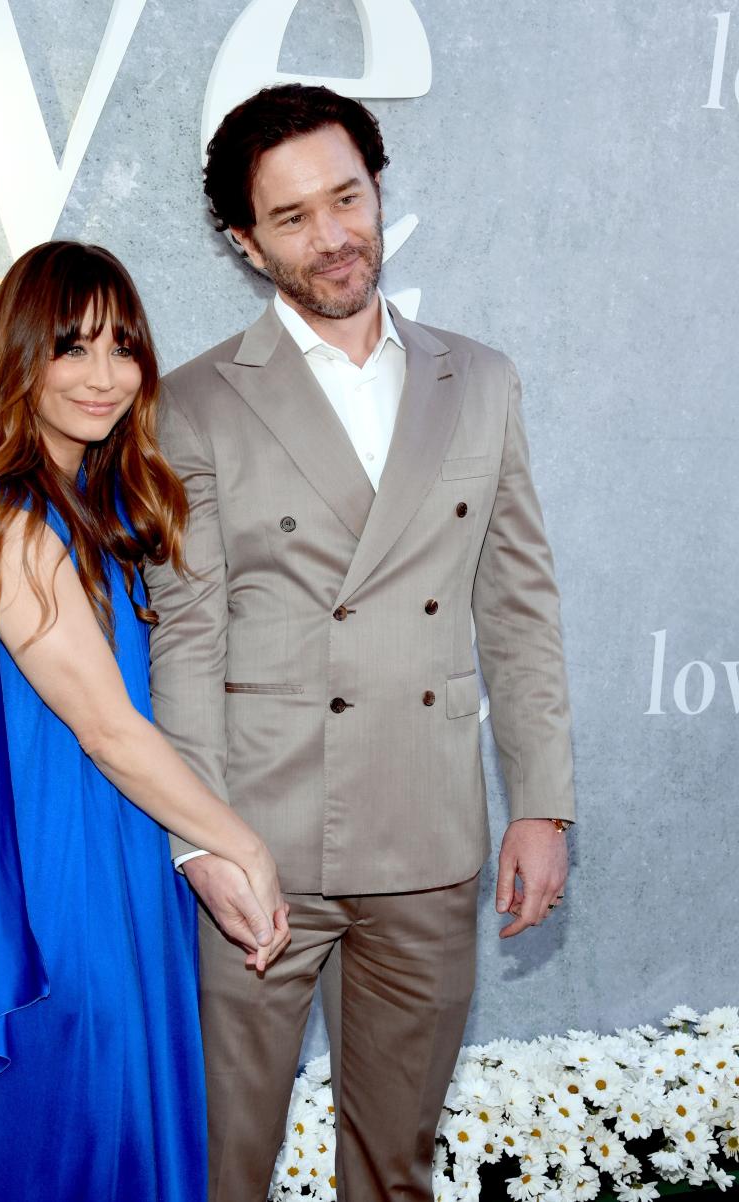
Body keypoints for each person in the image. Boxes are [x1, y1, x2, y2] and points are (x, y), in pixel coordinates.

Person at [144, 84, 576, 1202]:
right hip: (256, 851)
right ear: (245, 243)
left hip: (428, 838)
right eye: (292, 217)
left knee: (395, 1171)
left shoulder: (478, 379)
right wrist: (204, 845)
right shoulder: (190, 404)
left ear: (377, 189)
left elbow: (518, 604)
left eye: (348, 197)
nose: (334, 236)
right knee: (219, 1164)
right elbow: (185, 642)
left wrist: (541, 799)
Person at [0, 240, 290, 1202]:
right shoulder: (21, 521)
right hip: (62, 909)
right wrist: (246, 848)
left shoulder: (80, 506)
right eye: (71, 348)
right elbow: (109, 731)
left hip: (102, 867)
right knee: (89, 1132)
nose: (104, 376)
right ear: (21, 358)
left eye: (123, 347)